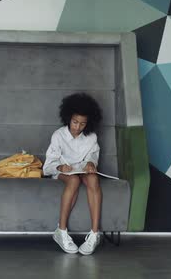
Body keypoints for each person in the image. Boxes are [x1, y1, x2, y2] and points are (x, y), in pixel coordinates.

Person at [43, 93, 103, 255]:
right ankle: (61, 231)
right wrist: (60, 167)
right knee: (74, 180)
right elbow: (47, 166)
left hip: (81, 170)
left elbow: (92, 157)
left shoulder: (92, 137)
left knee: (93, 178)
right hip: (65, 173)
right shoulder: (58, 135)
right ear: (68, 117)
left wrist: (91, 163)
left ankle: (95, 234)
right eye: (75, 122)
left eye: (82, 124)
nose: (77, 127)